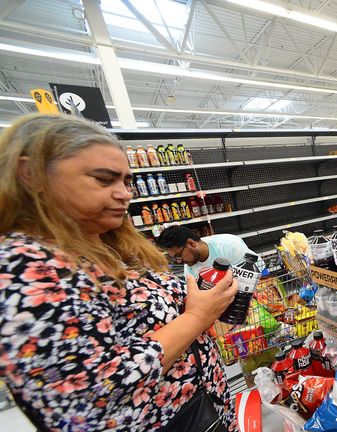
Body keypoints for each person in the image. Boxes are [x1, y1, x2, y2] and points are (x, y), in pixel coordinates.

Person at [0, 114, 238, 431]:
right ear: (31, 175)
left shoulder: (107, 242)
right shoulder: (23, 267)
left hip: (202, 408)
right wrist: (196, 317)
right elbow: (88, 391)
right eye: (103, 179)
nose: (125, 193)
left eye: (126, 181)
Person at [157, 225, 258, 280]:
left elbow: (257, 274)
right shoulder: (190, 267)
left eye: (179, 255)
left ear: (191, 243)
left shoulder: (229, 245)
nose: (179, 261)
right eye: (175, 258)